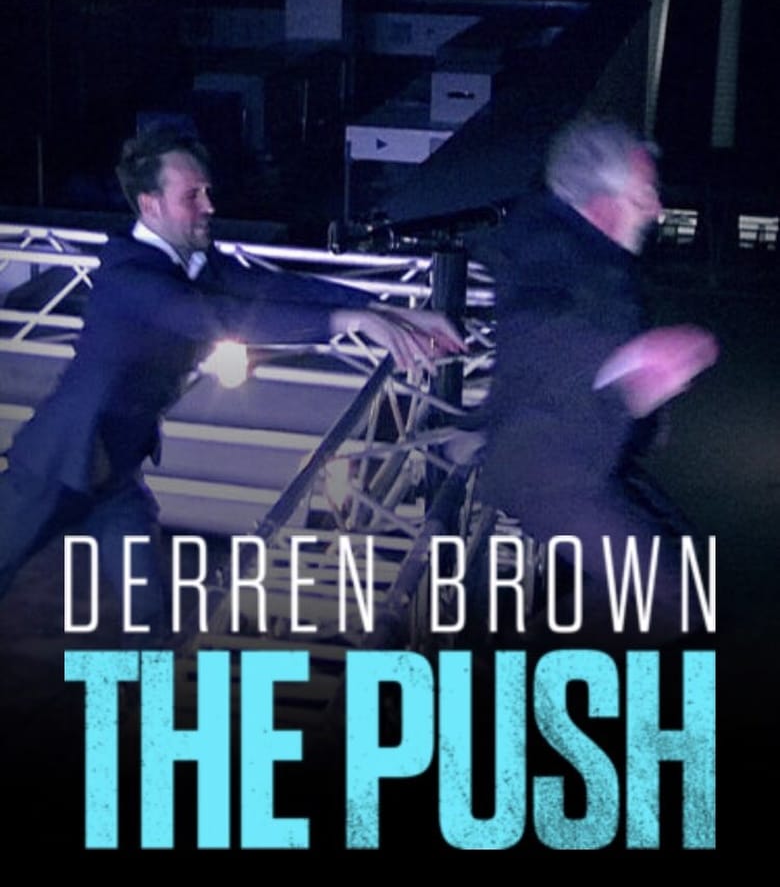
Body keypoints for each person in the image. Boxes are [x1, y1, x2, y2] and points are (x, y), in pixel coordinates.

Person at [0, 125, 464, 635]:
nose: (210, 206)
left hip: (115, 476)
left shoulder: (196, 264)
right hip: (52, 466)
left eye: (207, 192)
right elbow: (216, 318)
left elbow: (275, 287)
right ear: (150, 205)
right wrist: (350, 322)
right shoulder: (129, 278)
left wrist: (387, 311)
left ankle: (141, 687)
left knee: (149, 615)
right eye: (192, 196)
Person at [477, 117, 718, 645]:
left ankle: (523, 654)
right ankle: (511, 672)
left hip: (581, 461)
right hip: (546, 476)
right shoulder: (547, 246)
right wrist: (630, 356)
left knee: (679, 558)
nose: (657, 211)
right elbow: (540, 321)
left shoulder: (593, 254)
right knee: (673, 598)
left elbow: (582, 372)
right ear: (604, 205)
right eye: (645, 197)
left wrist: (639, 385)